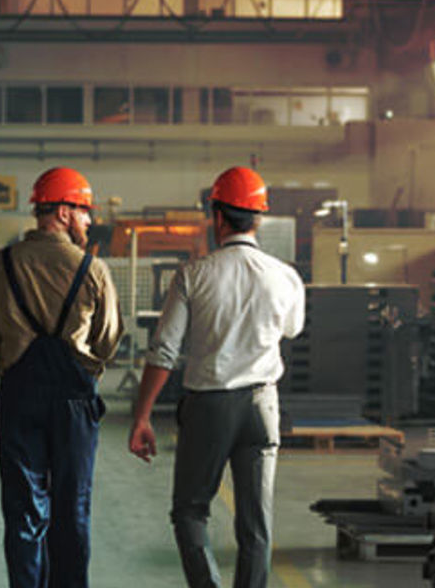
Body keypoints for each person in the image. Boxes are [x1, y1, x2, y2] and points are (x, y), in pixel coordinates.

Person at [128, 166, 305, 588]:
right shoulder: (285, 276)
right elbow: (292, 329)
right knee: (255, 523)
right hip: (263, 405)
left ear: (218, 218)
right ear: (257, 219)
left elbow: (164, 352)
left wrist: (142, 417)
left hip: (210, 404)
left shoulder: (195, 274)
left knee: (190, 510)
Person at [0, 166, 124, 588]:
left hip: (18, 398)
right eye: (83, 210)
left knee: (23, 511)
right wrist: (81, 358)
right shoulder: (93, 270)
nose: (89, 220)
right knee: (72, 508)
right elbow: (108, 341)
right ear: (61, 211)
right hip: (74, 401)